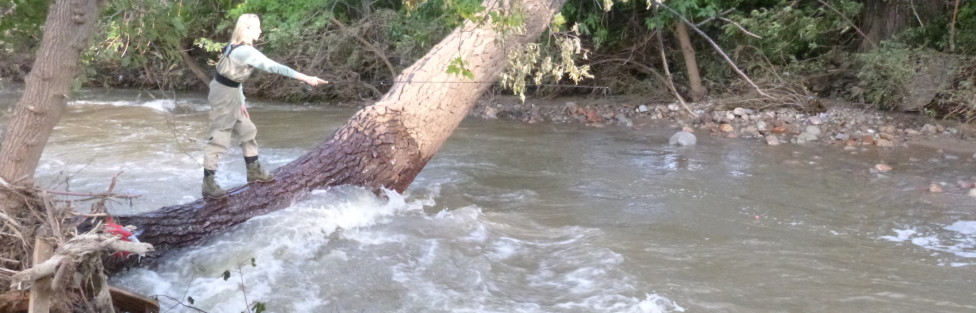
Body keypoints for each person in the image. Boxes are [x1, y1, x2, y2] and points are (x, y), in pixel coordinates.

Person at [203, 13, 327, 199]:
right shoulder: (245, 51)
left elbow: (233, 78)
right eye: (257, 27)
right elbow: (274, 67)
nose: (261, 31)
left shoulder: (235, 46)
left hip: (230, 93)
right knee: (219, 137)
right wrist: (306, 78)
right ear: (247, 29)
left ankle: (254, 172)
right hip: (223, 96)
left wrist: (241, 100)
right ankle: (208, 185)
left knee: (247, 130)